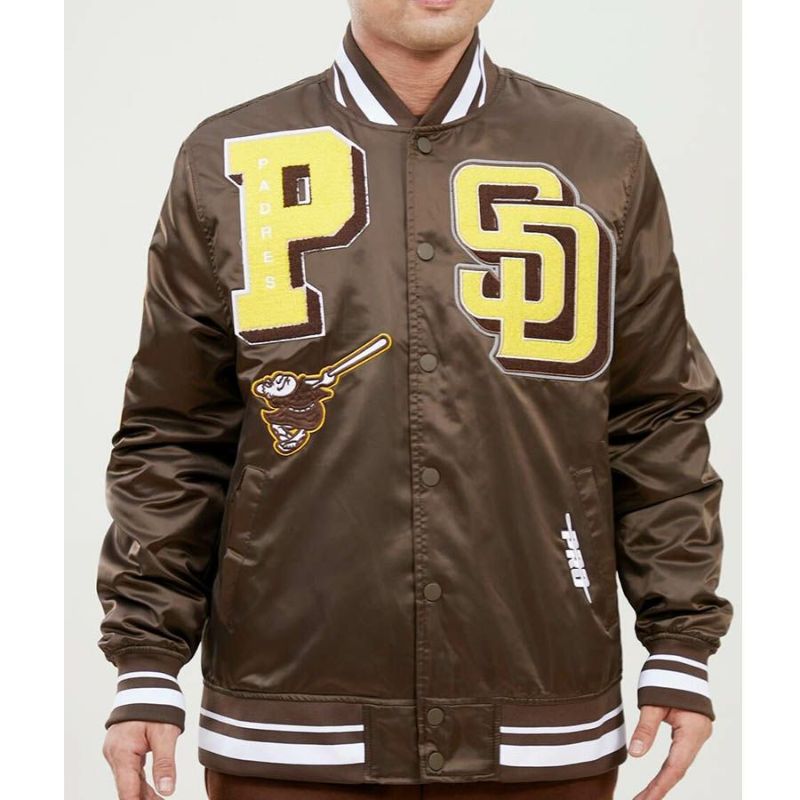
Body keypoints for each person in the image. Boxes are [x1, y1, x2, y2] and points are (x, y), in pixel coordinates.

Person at [97, 1, 732, 799]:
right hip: (288, 724)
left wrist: (680, 642)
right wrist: (146, 660)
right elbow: (174, 432)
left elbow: (654, 416)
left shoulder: (601, 153)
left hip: (541, 714)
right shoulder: (226, 158)